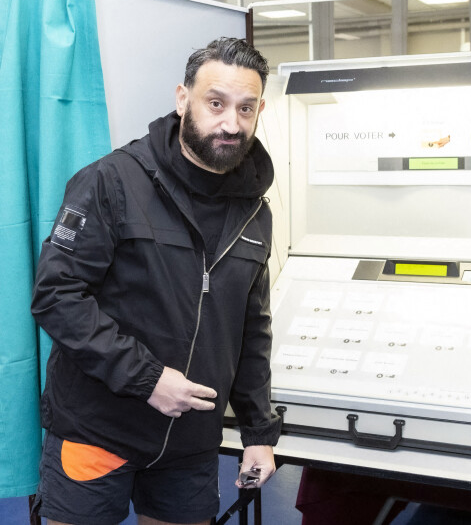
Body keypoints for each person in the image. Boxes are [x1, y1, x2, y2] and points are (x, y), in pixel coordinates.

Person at [30, 37, 282, 525]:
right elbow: (56, 296)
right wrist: (147, 379)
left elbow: (252, 330)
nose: (231, 123)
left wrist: (257, 434)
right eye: (216, 103)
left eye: (246, 109)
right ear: (183, 99)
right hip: (97, 428)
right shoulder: (111, 182)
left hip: (189, 444)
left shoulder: (255, 211)